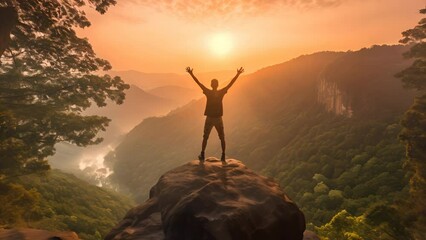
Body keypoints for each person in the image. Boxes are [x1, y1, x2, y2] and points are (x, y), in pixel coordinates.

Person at [186, 66, 244, 164]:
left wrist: (191, 74)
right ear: (217, 85)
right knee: (222, 137)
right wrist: (237, 74)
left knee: (205, 137)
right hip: (218, 119)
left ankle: (202, 154)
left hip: (209, 118)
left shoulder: (208, 92)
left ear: (211, 85)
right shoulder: (221, 92)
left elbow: (199, 83)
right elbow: (230, 84)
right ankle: (223, 155)